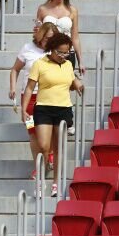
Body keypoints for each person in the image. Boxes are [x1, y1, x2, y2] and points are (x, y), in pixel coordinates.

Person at [22, 33, 84, 197]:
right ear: (52, 49)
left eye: (67, 53)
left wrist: (77, 84)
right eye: (61, 53)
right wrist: (23, 109)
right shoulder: (40, 63)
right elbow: (29, 88)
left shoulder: (68, 65)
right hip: (43, 108)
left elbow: (71, 83)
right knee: (43, 145)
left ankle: (56, 182)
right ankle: (41, 180)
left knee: (58, 148)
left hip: (63, 108)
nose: (64, 56)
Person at [9, 22, 59, 172]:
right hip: (29, 98)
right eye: (45, 37)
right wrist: (12, 88)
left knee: (47, 130)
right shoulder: (27, 48)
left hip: (48, 97)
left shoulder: (56, 51)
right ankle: (38, 165)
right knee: (32, 132)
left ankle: (49, 154)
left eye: (51, 38)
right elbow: (15, 69)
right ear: (40, 35)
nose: (47, 41)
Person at [35, 0, 84, 75]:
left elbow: (75, 38)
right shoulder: (42, 9)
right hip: (48, 52)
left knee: (65, 85)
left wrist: (80, 61)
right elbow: (38, 35)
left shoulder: (72, 10)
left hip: (67, 53)